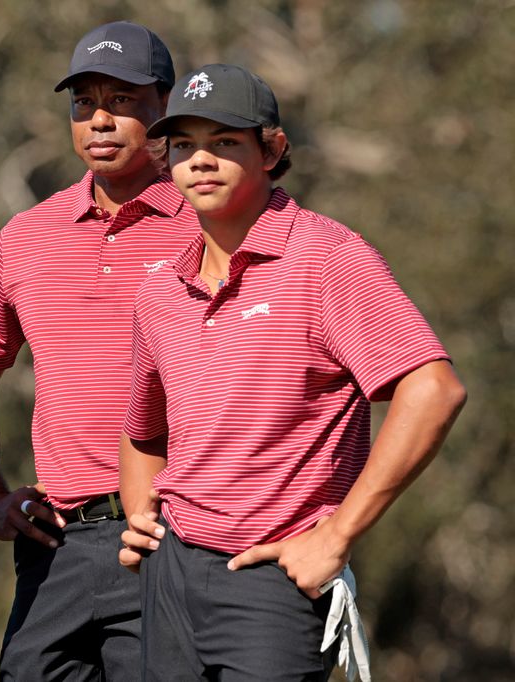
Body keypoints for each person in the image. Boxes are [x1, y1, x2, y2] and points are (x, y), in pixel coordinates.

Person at [119, 64, 467, 680]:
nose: (200, 160)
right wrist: (138, 515)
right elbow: (144, 428)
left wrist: (336, 537)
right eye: (183, 145)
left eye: (225, 142)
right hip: (170, 576)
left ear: (273, 150)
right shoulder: (161, 289)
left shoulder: (327, 259)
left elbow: (433, 390)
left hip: (270, 582)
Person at [0, 21, 197, 680]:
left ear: (164, 106)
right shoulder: (24, 239)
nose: (100, 120)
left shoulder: (214, 225)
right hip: (57, 547)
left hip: (176, 540)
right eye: (85, 103)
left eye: (122, 100)